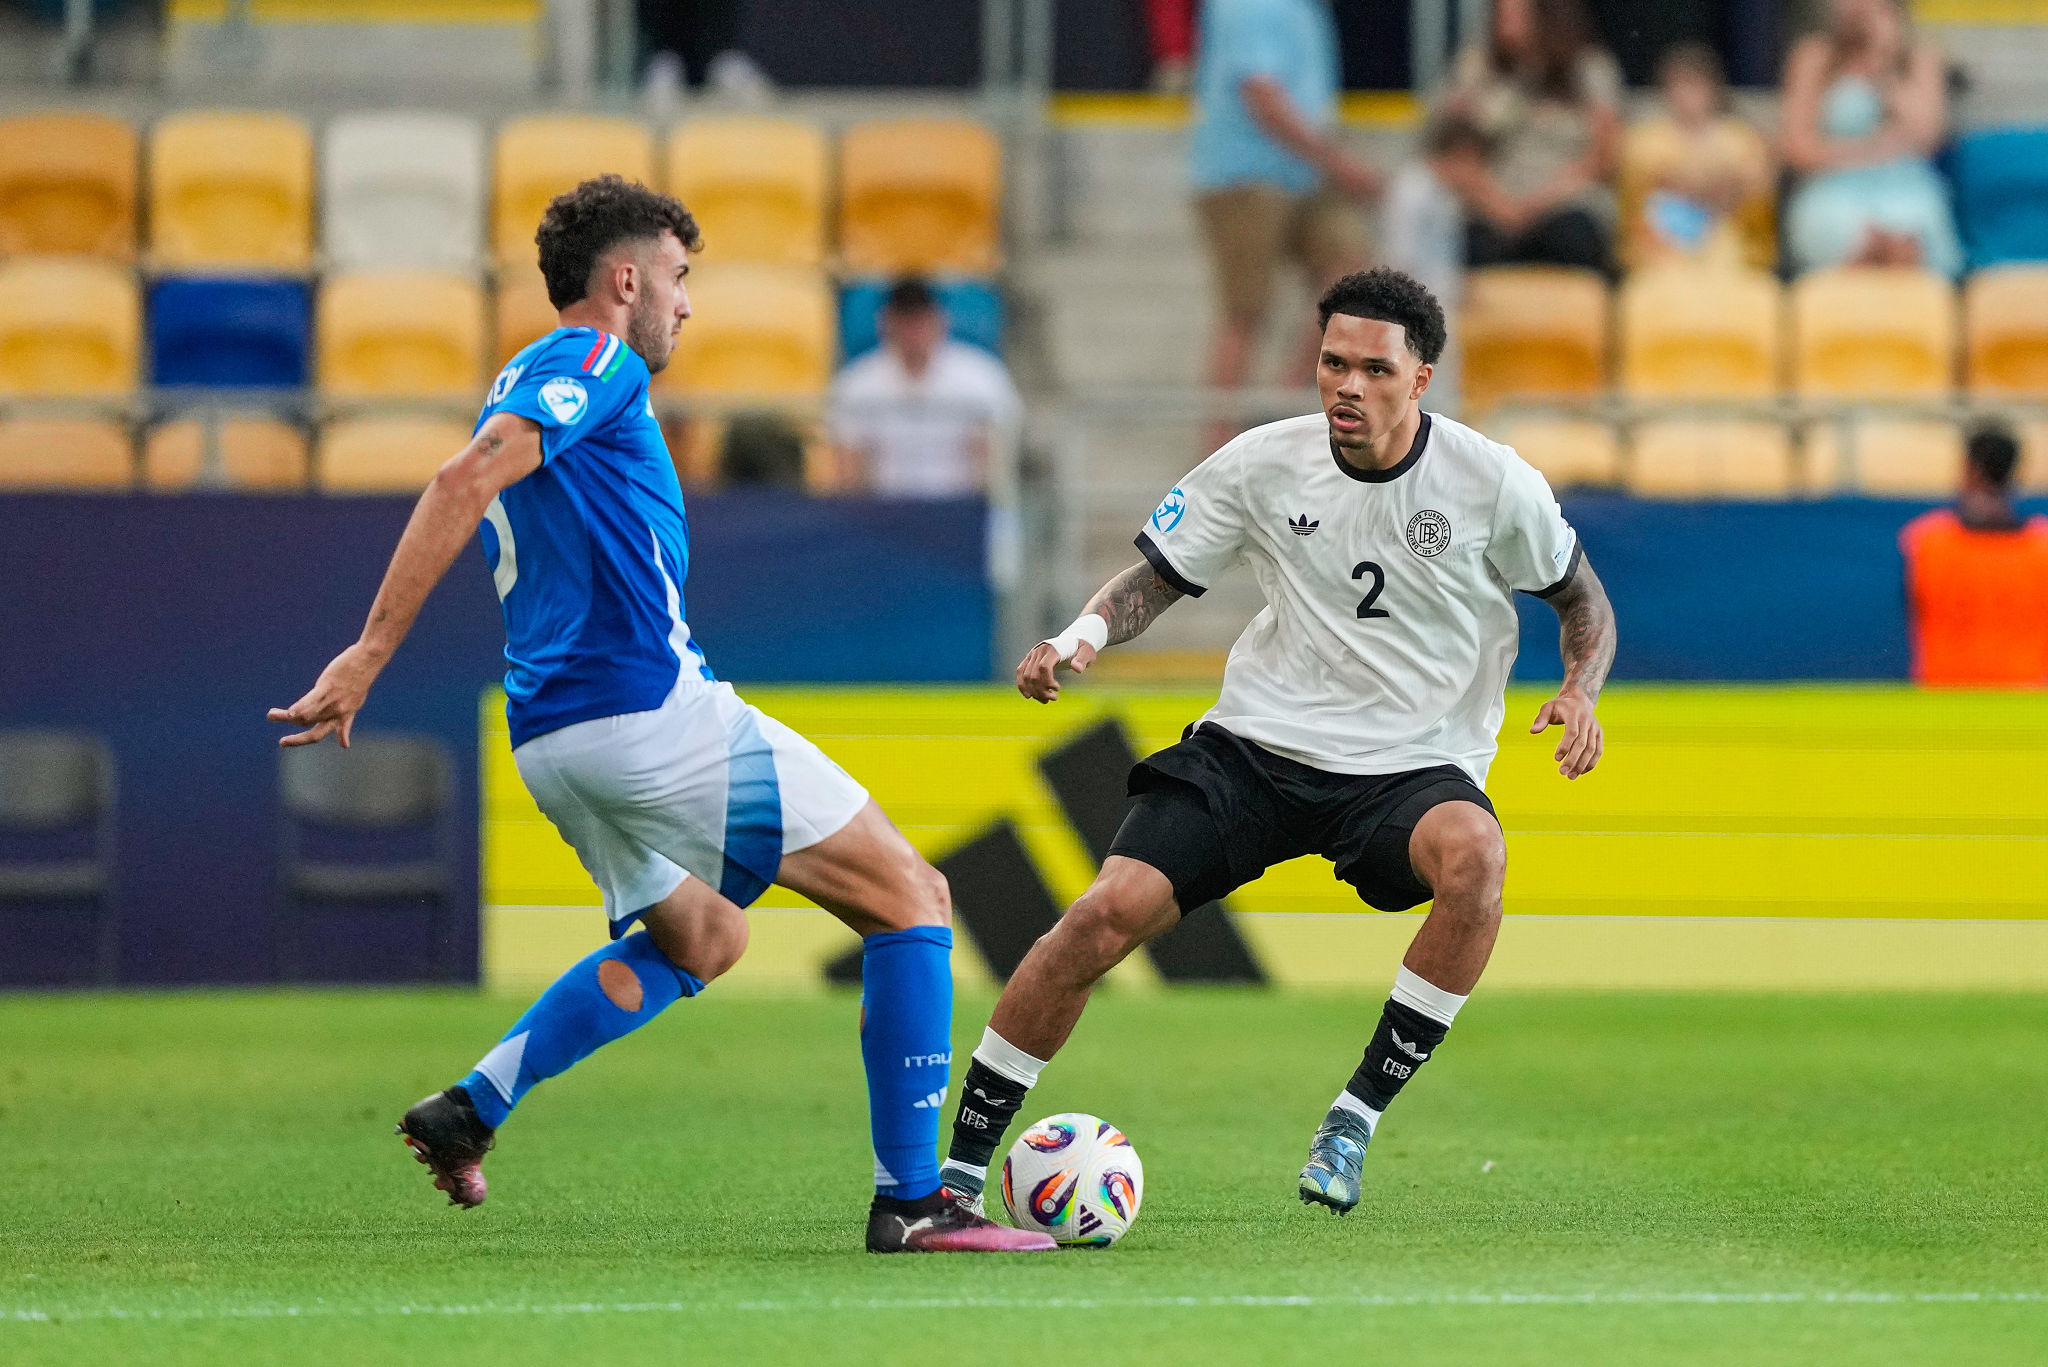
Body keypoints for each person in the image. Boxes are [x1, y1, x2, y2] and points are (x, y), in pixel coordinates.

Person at [267, 176, 1051, 1255]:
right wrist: (367, 653)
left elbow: (491, 474)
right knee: (912, 898)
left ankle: (474, 1104)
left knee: (703, 932)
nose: (685, 305)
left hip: (553, 737)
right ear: (624, 279)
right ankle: (914, 1199)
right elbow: (463, 478)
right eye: (678, 279)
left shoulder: (528, 375)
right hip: (649, 718)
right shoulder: (592, 359)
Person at [936, 267, 1619, 1216]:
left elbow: (1581, 597)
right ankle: (960, 1175)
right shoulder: (1262, 463)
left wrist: (1579, 689)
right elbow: (1156, 576)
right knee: (1098, 916)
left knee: (1476, 858)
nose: (1346, 385)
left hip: (1410, 765)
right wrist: (1079, 636)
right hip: (1256, 747)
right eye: (1331, 362)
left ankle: (1355, 1115)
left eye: (1374, 369)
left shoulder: (1491, 481)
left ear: (1420, 380)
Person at [1189, 0, 1379, 402]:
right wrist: (1339, 163)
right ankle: (1217, 444)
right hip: (1244, 176)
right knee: (1244, 311)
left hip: (1301, 174)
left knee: (1348, 267)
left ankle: (1288, 399)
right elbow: (1261, 95)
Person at [1428, 0, 1622, 274]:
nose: (1506, 24)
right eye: (1501, 14)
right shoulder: (1476, 68)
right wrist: (1498, 205)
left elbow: (1604, 157)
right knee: (1467, 244)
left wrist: (1537, 204)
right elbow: (1450, 152)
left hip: (1566, 203)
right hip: (1494, 208)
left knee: (1572, 240)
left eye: (1518, 14)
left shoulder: (1588, 68)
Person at [1781, 0, 1962, 276]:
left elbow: (1927, 137)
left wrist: (1883, 62)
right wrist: (1869, 152)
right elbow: (1797, 150)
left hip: (1907, 188)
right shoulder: (1813, 55)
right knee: (1857, 237)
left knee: (1907, 236)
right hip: (1831, 189)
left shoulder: (1920, 56)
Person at [827, 278, 1022, 497]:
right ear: (886, 323)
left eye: (919, 321)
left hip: (961, 511)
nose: (913, 333)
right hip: (886, 513)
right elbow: (849, 469)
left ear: (940, 320)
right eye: (904, 321)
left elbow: (995, 464)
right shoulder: (857, 384)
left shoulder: (981, 378)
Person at [1900, 423, 2048, 686]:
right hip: (2026, 700)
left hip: (1945, 699)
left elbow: (1915, 610)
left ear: (1969, 470)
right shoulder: (2042, 547)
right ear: (2016, 472)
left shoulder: (1927, 541)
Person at [1621, 42, 1774, 270]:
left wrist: (1693, 185)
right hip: (1659, 247)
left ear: (1713, 88)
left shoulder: (1740, 137)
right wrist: (1716, 184)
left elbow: (1757, 187)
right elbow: (1645, 187)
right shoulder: (1644, 139)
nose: (1688, 95)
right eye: (1679, 85)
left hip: (1730, 246)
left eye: (1695, 85)